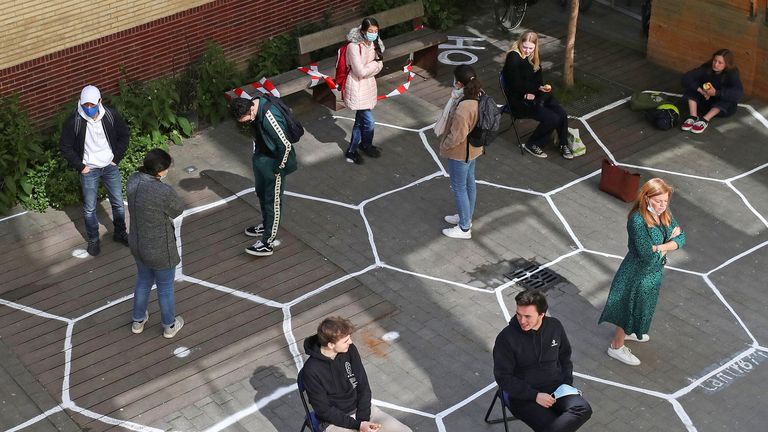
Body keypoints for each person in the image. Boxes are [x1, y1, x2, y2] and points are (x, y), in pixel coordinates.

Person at [599, 178, 685, 366]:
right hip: (636, 273)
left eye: (666, 201)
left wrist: (659, 247)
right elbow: (646, 254)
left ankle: (631, 333)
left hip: (652, 272)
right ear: (646, 198)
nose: (663, 205)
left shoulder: (663, 214)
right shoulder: (637, 220)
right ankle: (616, 346)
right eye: (658, 201)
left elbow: (682, 238)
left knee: (642, 306)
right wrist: (668, 243)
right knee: (627, 309)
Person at [493, 291, 592, 432]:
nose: (522, 321)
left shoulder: (555, 326)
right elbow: (503, 377)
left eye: (527, 316)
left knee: (584, 409)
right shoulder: (506, 338)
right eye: (518, 314)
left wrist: (566, 384)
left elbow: (564, 357)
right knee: (553, 426)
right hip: (525, 396)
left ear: (541, 314)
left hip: (557, 388)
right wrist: (535, 396)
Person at [302, 317, 412, 432]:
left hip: (362, 411)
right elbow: (324, 410)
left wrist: (363, 421)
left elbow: (363, 385)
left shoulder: (350, 350)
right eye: (345, 340)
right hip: (335, 421)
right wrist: (358, 425)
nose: (350, 342)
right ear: (331, 345)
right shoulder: (311, 371)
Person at [60, 85, 130, 256]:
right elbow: (65, 147)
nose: (89, 108)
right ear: (80, 103)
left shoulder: (111, 116)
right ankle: (93, 240)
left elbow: (124, 135)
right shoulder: (74, 121)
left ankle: (120, 233)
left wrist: (115, 159)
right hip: (89, 169)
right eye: (85, 105)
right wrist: (81, 166)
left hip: (109, 166)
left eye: (92, 105)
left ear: (100, 101)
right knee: (90, 208)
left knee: (118, 203)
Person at [127, 149, 184, 338]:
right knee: (165, 287)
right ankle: (169, 325)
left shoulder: (133, 180)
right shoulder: (163, 191)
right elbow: (177, 210)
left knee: (143, 281)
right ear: (160, 171)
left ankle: (138, 320)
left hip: (137, 242)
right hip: (160, 248)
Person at [230, 96, 298, 257]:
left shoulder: (269, 117)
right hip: (263, 156)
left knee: (272, 201)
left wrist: (277, 168)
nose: (245, 123)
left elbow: (285, 145)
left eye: (244, 119)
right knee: (261, 193)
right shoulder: (254, 104)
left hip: (274, 162)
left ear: (251, 110)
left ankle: (267, 242)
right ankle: (266, 224)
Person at [502, 31, 572, 159]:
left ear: (535, 47)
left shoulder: (533, 56)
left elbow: (538, 80)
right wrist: (534, 90)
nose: (527, 50)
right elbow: (516, 85)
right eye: (525, 47)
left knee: (561, 112)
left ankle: (563, 143)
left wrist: (540, 89)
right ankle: (533, 144)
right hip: (519, 100)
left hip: (534, 94)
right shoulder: (513, 57)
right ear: (520, 43)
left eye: (531, 48)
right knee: (552, 118)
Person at [438, 65, 483, 240]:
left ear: (458, 83)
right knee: (469, 183)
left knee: (459, 187)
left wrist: (445, 145)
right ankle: (466, 217)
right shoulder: (479, 94)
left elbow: (457, 135)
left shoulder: (465, 106)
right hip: (474, 148)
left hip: (461, 152)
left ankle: (464, 228)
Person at [343, 17, 385, 165]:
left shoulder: (375, 43)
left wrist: (372, 66)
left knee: (360, 122)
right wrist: (374, 65)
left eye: (376, 31)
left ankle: (357, 148)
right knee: (368, 122)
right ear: (363, 31)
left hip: (368, 86)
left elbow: (380, 65)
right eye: (370, 31)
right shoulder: (353, 47)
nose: (373, 34)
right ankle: (360, 147)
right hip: (356, 88)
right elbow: (359, 71)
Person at [680, 48, 743, 134]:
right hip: (706, 103)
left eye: (720, 63)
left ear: (726, 65)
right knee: (692, 87)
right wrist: (701, 90)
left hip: (723, 109)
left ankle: (705, 120)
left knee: (728, 97)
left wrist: (716, 93)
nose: (716, 64)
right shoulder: (706, 68)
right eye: (715, 61)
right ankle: (693, 117)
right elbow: (686, 78)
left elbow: (738, 93)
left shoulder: (732, 74)